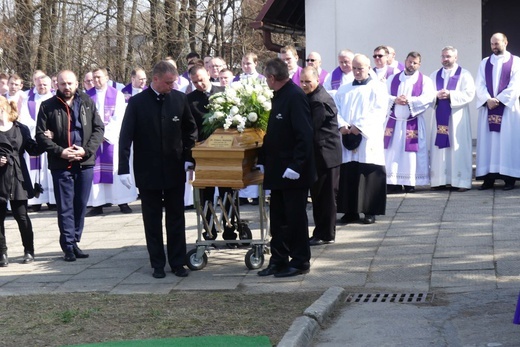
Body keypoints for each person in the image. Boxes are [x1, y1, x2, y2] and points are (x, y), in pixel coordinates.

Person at [119, 61, 198, 278]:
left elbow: (190, 130)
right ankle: (157, 263)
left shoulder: (179, 99)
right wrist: (123, 168)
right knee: (151, 218)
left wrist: (188, 157)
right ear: (155, 79)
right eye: (168, 82)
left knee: (176, 217)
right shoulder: (137, 103)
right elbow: (125, 136)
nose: (172, 86)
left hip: (174, 167)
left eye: (173, 82)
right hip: (147, 169)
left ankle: (177, 262)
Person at [35, 70, 104, 261]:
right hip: (61, 163)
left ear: (77, 83)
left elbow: (98, 129)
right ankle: (68, 246)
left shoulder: (87, 102)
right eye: (63, 84)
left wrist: (86, 151)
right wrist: (61, 151)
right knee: (65, 206)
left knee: (80, 204)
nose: (67, 87)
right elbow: (40, 135)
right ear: (57, 84)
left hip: (84, 161)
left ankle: (74, 241)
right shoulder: (47, 106)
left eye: (70, 83)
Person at [256, 58, 315, 278]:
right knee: (279, 219)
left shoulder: (295, 96)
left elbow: (305, 135)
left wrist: (296, 165)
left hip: (293, 172)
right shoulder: (280, 96)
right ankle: (279, 259)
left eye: (266, 78)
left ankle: (300, 261)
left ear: (272, 77)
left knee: (295, 218)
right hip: (278, 170)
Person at [334, 54, 388, 225]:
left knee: (368, 172)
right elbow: (337, 110)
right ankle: (350, 211)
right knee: (349, 172)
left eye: (360, 68)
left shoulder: (378, 87)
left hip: (367, 137)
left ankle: (370, 211)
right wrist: (342, 125)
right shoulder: (344, 89)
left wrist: (359, 126)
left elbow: (378, 111)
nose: (357, 72)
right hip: (348, 133)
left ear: (368, 68)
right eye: (355, 68)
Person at [0, 96, 44, 266]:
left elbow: (33, 150)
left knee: (22, 216)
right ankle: (2, 253)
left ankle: (29, 250)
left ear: (5, 109)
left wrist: (45, 139)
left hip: (18, 175)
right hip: (0, 178)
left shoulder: (21, 128)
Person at [299, 67, 342, 245]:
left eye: (307, 82)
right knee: (319, 196)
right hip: (321, 154)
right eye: (301, 81)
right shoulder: (313, 96)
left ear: (317, 80)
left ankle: (325, 234)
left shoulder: (319, 100)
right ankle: (321, 232)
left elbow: (311, 127)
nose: (304, 85)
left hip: (326, 156)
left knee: (326, 198)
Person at [86, 68, 135, 216]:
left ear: (106, 78)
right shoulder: (87, 96)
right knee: (96, 171)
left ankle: (122, 201)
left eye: (99, 77)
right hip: (94, 140)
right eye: (93, 78)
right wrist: (95, 134)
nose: (96, 80)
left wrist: (105, 134)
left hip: (112, 139)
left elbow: (119, 117)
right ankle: (98, 204)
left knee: (115, 169)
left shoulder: (117, 95)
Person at [384, 51, 435, 193]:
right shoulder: (392, 79)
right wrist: (395, 99)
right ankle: (392, 182)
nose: (411, 65)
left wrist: (409, 101)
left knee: (410, 155)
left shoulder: (425, 80)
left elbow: (428, 98)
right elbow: (382, 95)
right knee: (392, 152)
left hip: (413, 123)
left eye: (415, 63)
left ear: (419, 64)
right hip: (394, 122)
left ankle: (410, 183)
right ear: (405, 61)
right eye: (409, 61)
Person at [475, 33, 520, 190]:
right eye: (492, 43)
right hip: (489, 109)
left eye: (497, 43)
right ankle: (489, 177)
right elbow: (479, 84)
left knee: (507, 142)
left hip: (508, 110)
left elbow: (516, 85)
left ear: (506, 42)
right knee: (488, 143)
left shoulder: (516, 62)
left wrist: (499, 100)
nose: (494, 46)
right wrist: (487, 99)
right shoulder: (485, 62)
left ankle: (509, 178)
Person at [429, 46, 475, 192]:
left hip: (457, 117)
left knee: (457, 146)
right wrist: (436, 95)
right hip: (439, 117)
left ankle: (460, 181)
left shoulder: (464, 75)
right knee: (439, 149)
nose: (445, 59)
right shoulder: (434, 75)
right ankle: (439, 180)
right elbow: (427, 94)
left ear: (456, 57)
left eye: (448, 56)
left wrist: (450, 94)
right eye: (443, 56)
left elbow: (469, 94)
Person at [18, 75, 55, 211]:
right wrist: (40, 132)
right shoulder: (28, 101)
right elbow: (25, 121)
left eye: (45, 84)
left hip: (52, 140)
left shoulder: (55, 100)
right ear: (35, 84)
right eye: (39, 85)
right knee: (35, 169)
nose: (42, 87)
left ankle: (53, 200)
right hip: (35, 140)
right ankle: (36, 201)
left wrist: (51, 132)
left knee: (50, 171)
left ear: (50, 85)